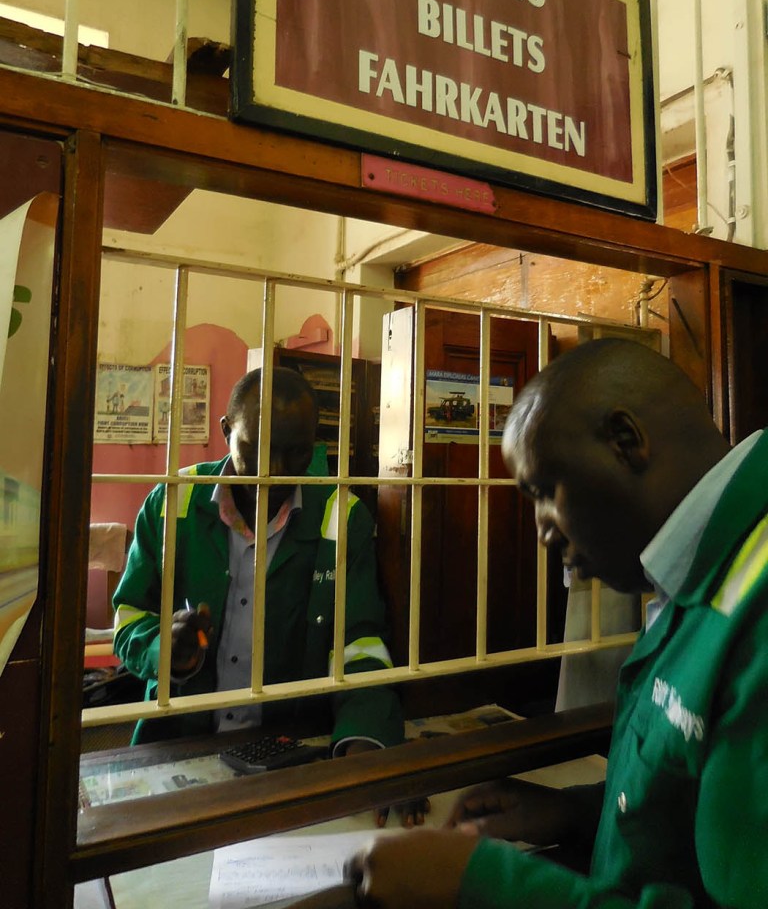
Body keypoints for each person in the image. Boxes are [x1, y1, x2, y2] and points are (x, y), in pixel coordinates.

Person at [345, 338, 768, 907]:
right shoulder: (699, 567)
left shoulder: (755, 608)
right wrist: (569, 812)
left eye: (545, 492)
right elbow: (692, 802)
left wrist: (482, 884)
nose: (544, 531)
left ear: (625, 442)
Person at [113, 366, 427, 825]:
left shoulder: (343, 518)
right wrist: (166, 647)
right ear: (226, 432)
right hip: (182, 744)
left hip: (293, 750)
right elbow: (127, 615)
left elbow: (361, 643)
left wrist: (367, 743)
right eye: (256, 450)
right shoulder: (171, 503)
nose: (275, 472)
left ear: (316, 443)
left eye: (296, 452)